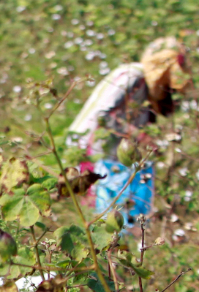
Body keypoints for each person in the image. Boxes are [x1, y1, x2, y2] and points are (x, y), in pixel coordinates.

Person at [66, 37, 190, 227]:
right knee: (104, 214)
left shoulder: (148, 87)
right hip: (96, 150)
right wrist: (140, 137)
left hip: (118, 155)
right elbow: (103, 115)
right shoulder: (131, 76)